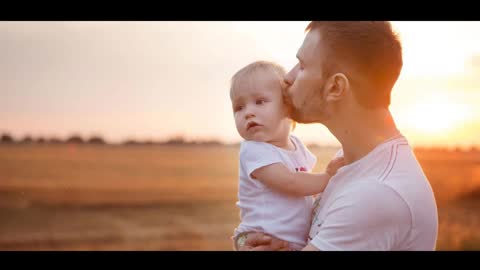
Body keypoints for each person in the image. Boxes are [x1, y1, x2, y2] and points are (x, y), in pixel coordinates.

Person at [234, 21, 438, 251]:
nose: (287, 78)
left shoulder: (376, 195)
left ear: (335, 87)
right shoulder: (354, 159)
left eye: (301, 66)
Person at [229, 60, 345, 251]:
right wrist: (327, 178)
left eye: (259, 102)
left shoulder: (297, 146)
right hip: (263, 239)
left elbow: (306, 186)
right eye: (239, 107)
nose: (248, 112)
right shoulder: (254, 150)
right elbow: (290, 182)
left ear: (286, 105)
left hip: (293, 242)